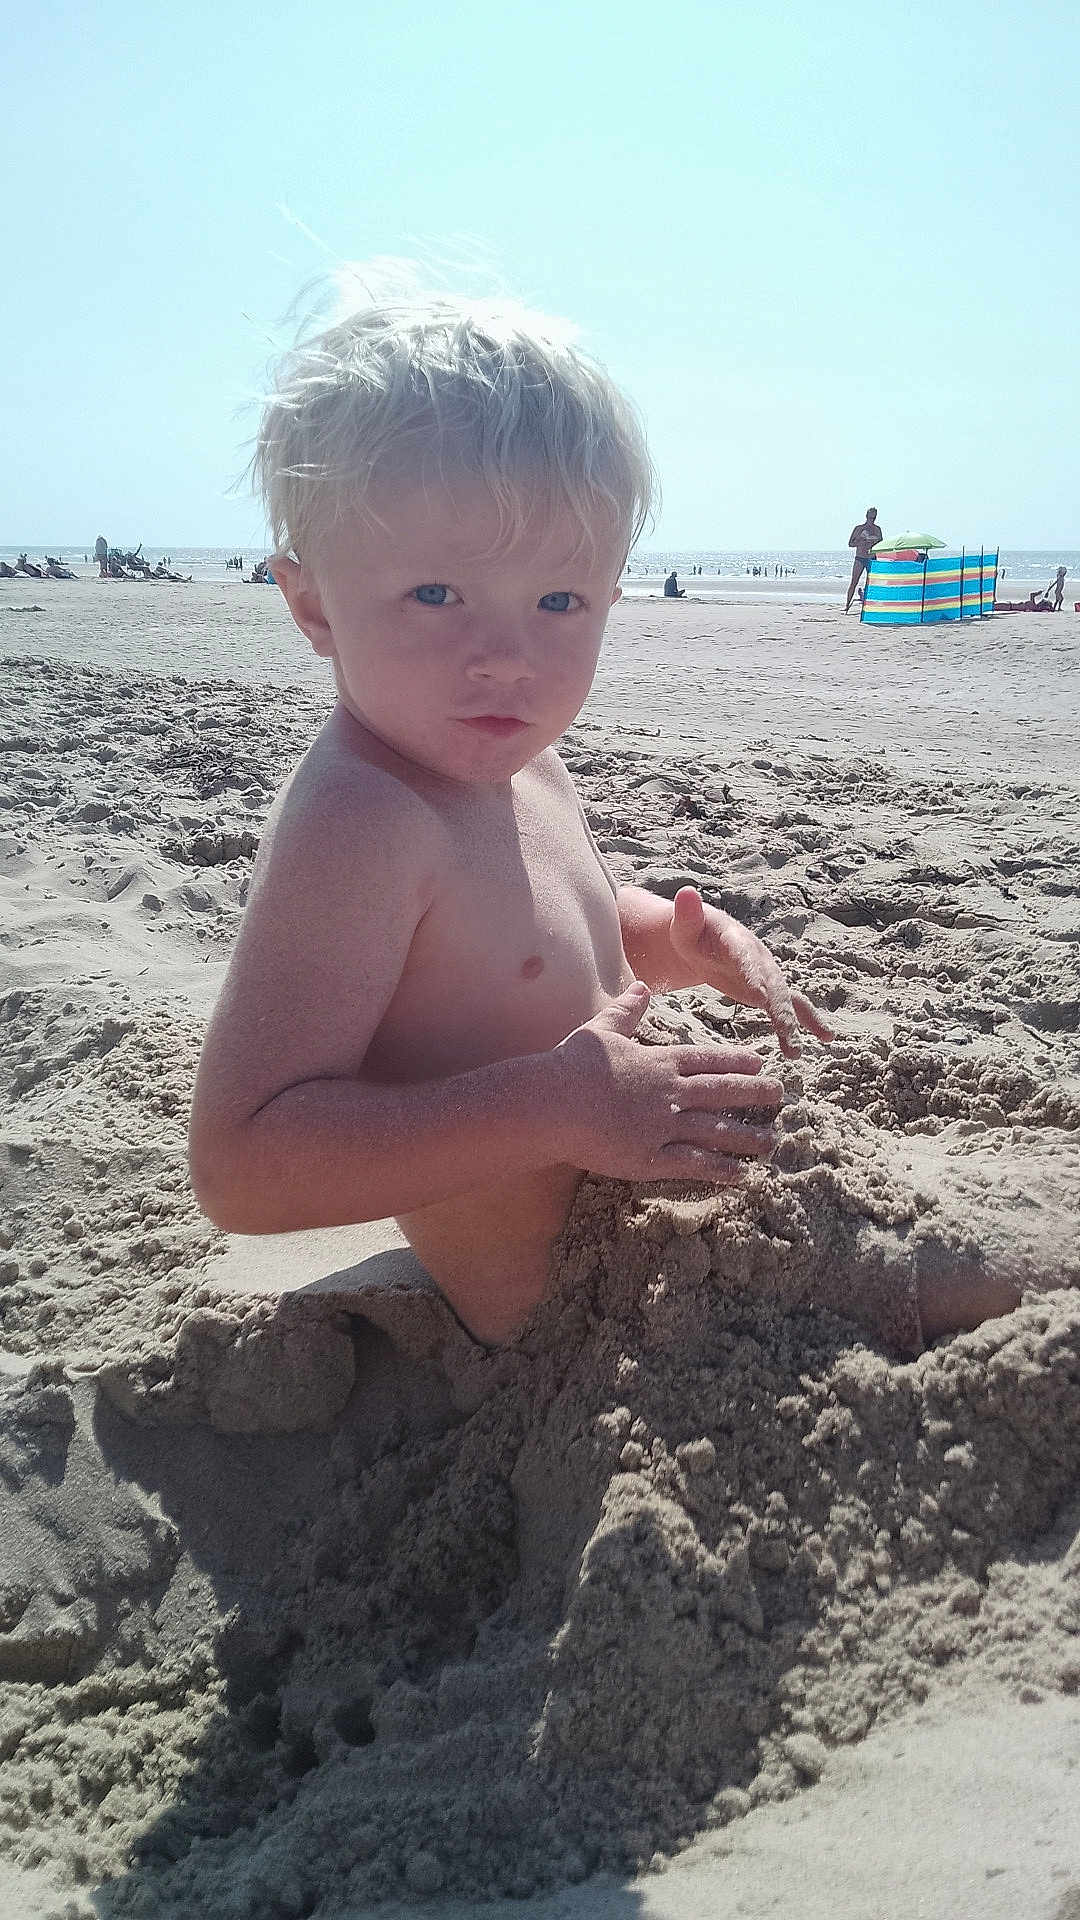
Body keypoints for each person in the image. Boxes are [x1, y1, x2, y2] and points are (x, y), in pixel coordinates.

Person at [188, 288, 1023, 1352]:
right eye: (437, 595)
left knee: (976, 1257)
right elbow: (242, 1166)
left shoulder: (520, 763)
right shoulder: (363, 818)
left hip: (643, 1197)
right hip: (576, 1327)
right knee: (984, 1284)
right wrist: (553, 1106)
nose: (509, 656)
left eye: (558, 603)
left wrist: (673, 941)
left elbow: (533, 939)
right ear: (311, 604)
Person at [845, 507, 883, 612]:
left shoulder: (877, 529)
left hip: (872, 557)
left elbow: (881, 544)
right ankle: (847, 604)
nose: (872, 520)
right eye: (871, 517)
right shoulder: (859, 528)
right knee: (854, 581)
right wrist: (861, 541)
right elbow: (850, 543)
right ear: (866, 516)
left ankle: (867, 603)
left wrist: (873, 541)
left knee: (871, 582)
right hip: (860, 557)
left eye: (874, 518)